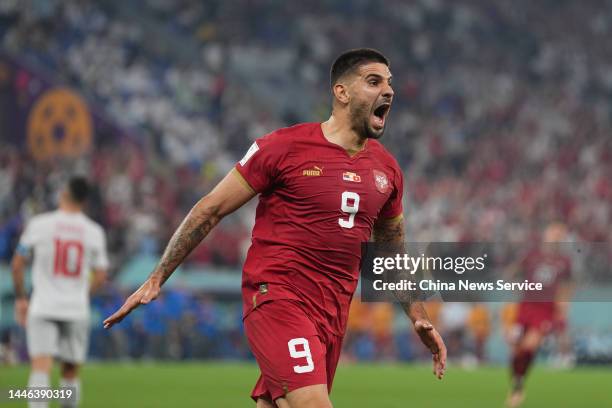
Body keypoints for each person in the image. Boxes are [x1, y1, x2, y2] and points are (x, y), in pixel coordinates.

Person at [104, 48, 447, 408]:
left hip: (331, 314)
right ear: (341, 92)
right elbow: (210, 209)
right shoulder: (283, 147)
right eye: (374, 82)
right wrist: (158, 276)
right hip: (276, 296)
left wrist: (418, 318)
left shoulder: (387, 170)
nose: (388, 91)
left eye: (390, 83)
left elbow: (391, 254)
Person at [12, 177, 109, 408]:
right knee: (70, 373)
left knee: (40, 368)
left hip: (43, 305)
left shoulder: (39, 224)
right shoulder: (93, 231)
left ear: (63, 193)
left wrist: (22, 299)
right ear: (85, 200)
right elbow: (101, 275)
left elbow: (17, 264)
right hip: (75, 309)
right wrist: (82, 295)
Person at [506, 223, 573, 408]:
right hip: (525, 307)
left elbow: (565, 290)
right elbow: (511, 273)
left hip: (545, 310)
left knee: (529, 346)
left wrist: (562, 311)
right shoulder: (532, 255)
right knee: (516, 350)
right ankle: (517, 383)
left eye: (560, 234)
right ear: (546, 234)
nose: (556, 237)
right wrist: (515, 286)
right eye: (554, 232)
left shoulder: (564, 262)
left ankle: (517, 389)